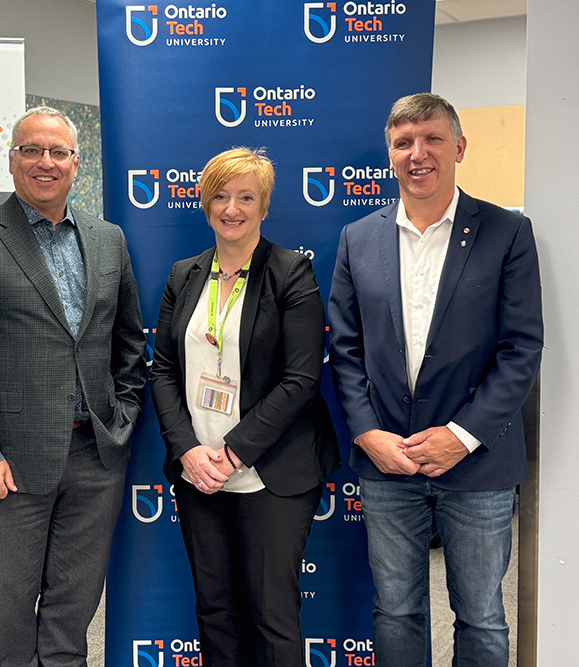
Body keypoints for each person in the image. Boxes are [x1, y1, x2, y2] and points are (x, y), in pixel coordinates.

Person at [327, 93, 543, 667]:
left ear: (459, 148)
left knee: (481, 616)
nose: (417, 154)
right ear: (390, 155)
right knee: (395, 612)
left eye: (431, 140)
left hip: (477, 464)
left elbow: (521, 349)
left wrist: (462, 435)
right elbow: (344, 351)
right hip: (387, 461)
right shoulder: (357, 238)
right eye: (403, 143)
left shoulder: (507, 233)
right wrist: (368, 434)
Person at [0, 106, 147, 667]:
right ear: (12, 161)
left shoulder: (107, 239)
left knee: (74, 608)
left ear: (77, 164)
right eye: (32, 150)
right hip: (9, 465)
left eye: (58, 152)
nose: (44, 162)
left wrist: (120, 417)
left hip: (95, 456)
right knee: (8, 607)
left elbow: (127, 340)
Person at [150, 147, 340, 666]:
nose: (231, 208)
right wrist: (189, 451)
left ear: (263, 206)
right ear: (204, 202)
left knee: (270, 613)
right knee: (214, 611)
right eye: (220, 196)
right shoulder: (184, 275)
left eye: (245, 197)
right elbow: (163, 369)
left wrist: (231, 455)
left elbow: (301, 379)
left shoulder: (290, 273)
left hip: (269, 470)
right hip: (198, 474)